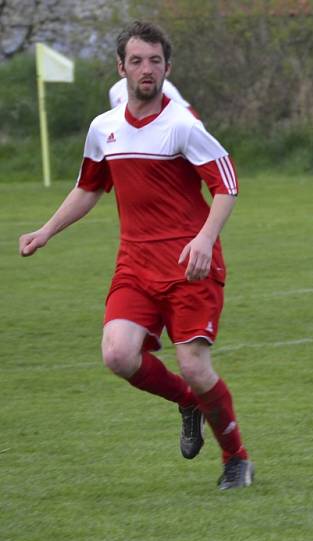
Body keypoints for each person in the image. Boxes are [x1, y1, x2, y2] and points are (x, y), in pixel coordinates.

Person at [19, 21, 253, 491]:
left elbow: (226, 183)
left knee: (194, 364)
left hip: (189, 264)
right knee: (118, 355)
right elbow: (88, 188)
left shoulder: (184, 126)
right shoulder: (103, 129)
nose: (147, 70)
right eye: (137, 61)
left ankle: (236, 458)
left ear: (168, 67)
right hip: (135, 264)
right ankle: (188, 402)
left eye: (155, 61)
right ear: (121, 67)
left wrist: (205, 239)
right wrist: (46, 230)